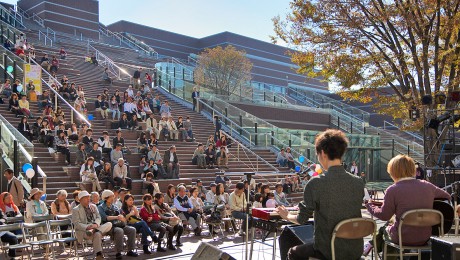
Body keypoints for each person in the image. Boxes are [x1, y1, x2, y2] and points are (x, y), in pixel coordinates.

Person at [277, 129, 364, 260]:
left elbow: (302, 219)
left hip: (328, 250)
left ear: (322, 153)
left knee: (292, 248)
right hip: (355, 250)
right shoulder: (358, 182)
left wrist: (287, 215)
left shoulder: (316, 183)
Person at [364, 154, 451, 254]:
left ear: (393, 171)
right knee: (391, 224)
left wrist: (370, 206)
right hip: (425, 236)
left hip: (402, 237)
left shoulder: (393, 189)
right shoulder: (428, 186)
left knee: (385, 228)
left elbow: (384, 215)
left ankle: (375, 248)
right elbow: (447, 196)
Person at [98, 190, 138, 259]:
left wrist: (122, 218)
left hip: (119, 224)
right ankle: (118, 252)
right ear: (106, 198)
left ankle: (130, 250)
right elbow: (105, 218)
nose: (113, 198)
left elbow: (121, 214)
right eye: (111, 196)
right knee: (119, 231)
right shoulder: (100, 207)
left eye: (113, 196)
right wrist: (117, 217)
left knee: (132, 230)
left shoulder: (115, 206)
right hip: (109, 226)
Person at [72, 191, 111, 260]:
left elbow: (98, 217)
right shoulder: (76, 209)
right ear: (81, 199)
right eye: (86, 198)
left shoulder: (93, 206)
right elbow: (77, 223)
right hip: (84, 231)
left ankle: (94, 231)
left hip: (95, 227)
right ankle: (99, 255)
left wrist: (95, 224)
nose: (88, 199)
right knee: (98, 234)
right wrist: (88, 227)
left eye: (89, 197)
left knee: (109, 224)